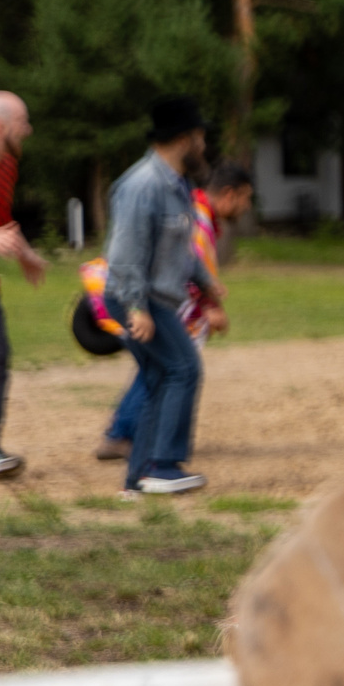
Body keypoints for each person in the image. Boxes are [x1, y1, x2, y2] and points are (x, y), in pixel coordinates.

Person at [102, 97, 224, 498]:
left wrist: (206, 282)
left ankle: (136, 481)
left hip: (156, 299)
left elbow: (183, 248)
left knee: (158, 378)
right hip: (139, 299)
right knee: (183, 369)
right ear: (186, 139)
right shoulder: (142, 186)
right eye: (201, 138)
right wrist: (137, 308)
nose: (203, 147)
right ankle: (163, 466)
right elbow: (124, 256)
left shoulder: (178, 186)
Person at [95, 161, 252, 462]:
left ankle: (125, 435)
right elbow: (179, 262)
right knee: (170, 368)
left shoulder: (195, 212)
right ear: (230, 194)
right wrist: (209, 306)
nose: (246, 207)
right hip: (163, 303)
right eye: (246, 198)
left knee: (158, 367)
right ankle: (135, 442)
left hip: (159, 300)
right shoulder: (199, 220)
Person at [0, 91, 49, 479]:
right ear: (0, 126)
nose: (28, 130)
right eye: (23, 122)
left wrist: (25, 254)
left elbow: (1, 223)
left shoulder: (7, 165)